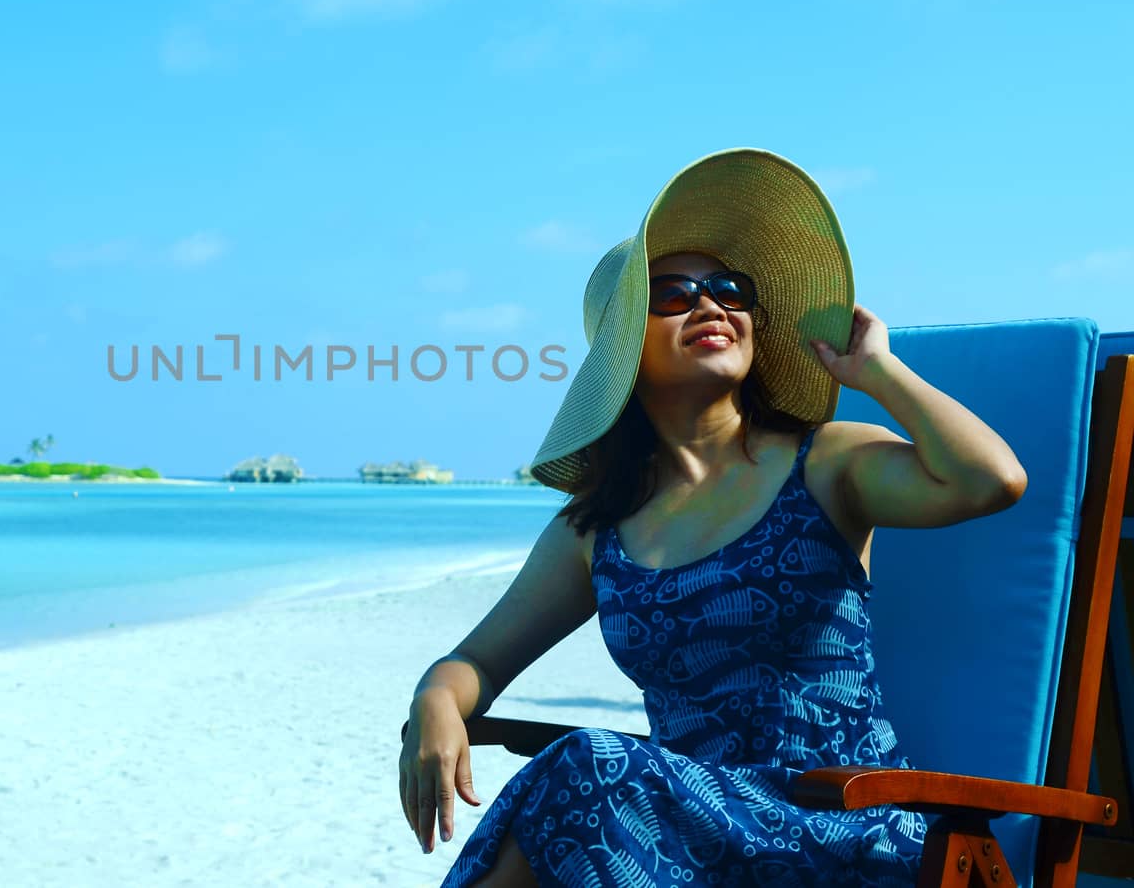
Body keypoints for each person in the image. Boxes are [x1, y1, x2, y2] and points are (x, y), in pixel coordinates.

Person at [398, 149, 1028, 887]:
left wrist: (878, 373)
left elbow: (993, 480)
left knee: (584, 767)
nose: (710, 305)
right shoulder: (597, 531)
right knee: (578, 779)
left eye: (728, 289)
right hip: (683, 845)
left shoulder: (825, 464)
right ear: (624, 352)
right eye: (671, 295)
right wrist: (435, 698)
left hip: (843, 828)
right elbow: (476, 661)